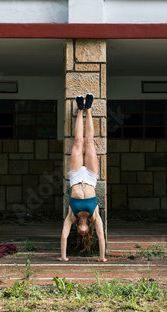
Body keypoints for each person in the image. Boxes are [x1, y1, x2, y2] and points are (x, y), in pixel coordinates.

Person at [58, 93, 107, 262]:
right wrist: (102, 258)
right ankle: (89, 109)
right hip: (91, 177)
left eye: (81, 234)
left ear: (77, 230)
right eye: (86, 234)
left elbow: (64, 236)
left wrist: (63, 257)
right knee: (89, 142)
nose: (83, 232)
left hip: (76, 175)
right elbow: (101, 237)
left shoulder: (72, 216)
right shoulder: (95, 216)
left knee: (78, 141)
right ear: (89, 229)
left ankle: (80, 109)